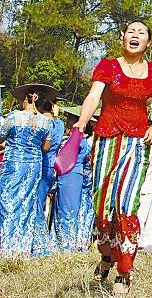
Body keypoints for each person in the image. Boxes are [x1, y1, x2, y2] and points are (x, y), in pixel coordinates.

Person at [74, 20, 152, 295]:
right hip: (106, 140)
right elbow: (94, 97)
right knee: (103, 207)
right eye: (131, 31)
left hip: (137, 143)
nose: (135, 35)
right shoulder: (108, 66)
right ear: (122, 37)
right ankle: (106, 254)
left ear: (148, 42)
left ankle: (124, 271)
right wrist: (81, 123)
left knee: (126, 206)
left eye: (141, 33)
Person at [0, 84, 57, 258]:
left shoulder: (13, 117)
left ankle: (7, 247)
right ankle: (21, 248)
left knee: (8, 202)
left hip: (14, 165)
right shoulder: (47, 122)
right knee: (28, 204)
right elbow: (46, 147)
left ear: (28, 97)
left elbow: (1, 137)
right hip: (34, 167)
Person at [50, 106, 94, 252]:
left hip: (71, 176)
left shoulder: (76, 139)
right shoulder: (79, 140)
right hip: (73, 176)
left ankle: (67, 244)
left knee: (67, 210)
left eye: (70, 119)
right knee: (65, 209)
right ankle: (64, 242)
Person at [38, 99, 64, 221]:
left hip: (41, 163)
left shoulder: (42, 122)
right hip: (53, 164)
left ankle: (37, 230)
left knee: (36, 200)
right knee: (43, 198)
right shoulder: (60, 124)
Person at [136, 143, 152, 254]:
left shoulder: (151, 143)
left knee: (147, 216)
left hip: (148, 184)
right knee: (142, 216)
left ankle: (145, 243)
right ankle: (138, 241)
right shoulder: (143, 143)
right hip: (144, 185)